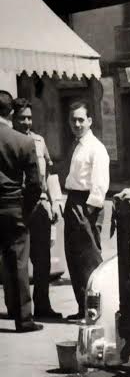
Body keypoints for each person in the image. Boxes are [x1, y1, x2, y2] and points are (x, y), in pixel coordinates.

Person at [12, 97, 59, 319]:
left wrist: (55, 202)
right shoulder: (8, 140)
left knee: (42, 260)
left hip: (39, 205)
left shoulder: (39, 141)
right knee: (16, 260)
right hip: (18, 205)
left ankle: (42, 306)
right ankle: (18, 309)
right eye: (22, 118)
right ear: (13, 118)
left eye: (30, 118)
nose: (27, 122)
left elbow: (50, 173)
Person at [63, 100, 109, 321]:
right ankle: (83, 307)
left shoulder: (95, 148)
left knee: (89, 258)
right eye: (73, 120)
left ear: (90, 121)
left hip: (86, 204)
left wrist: (88, 210)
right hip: (73, 201)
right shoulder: (76, 145)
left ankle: (98, 310)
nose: (77, 124)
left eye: (81, 119)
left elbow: (100, 183)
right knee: (74, 258)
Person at [0, 91, 42, 332]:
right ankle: (23, 318)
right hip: (14, 205)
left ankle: (12, 309)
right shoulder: (24, 142)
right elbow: (35, 184)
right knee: (18, 263)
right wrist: (25, 209)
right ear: (10, 113)